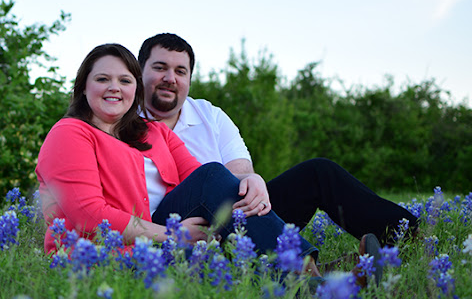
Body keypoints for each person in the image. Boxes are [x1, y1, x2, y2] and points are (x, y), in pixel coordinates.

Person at [35, 43, 332, 277]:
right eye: (102, 79)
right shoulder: (70, 133)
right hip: (102, 250)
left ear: (135, 90)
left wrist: (249, 180)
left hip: (163, 232)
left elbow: (207, 184)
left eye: (125, 80)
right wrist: (173, 236)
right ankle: (309, 283)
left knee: (214, 179)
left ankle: (306, 272)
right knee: (208, 264)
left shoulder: (155, 133)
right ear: (83, 87)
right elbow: (88, 215)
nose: (115, 87)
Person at [137, 33, 419, 250]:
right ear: (140, 72)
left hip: (233, 216)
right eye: (160, 68)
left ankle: (407, 238)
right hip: (171, 226)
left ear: (189, 78)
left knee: (318, 172)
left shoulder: (209, 114)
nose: (170, 78)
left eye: (180, 71)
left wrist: (253, 181)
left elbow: (239, 170)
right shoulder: (124, 120)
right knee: (210, 174)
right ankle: (305, 270)